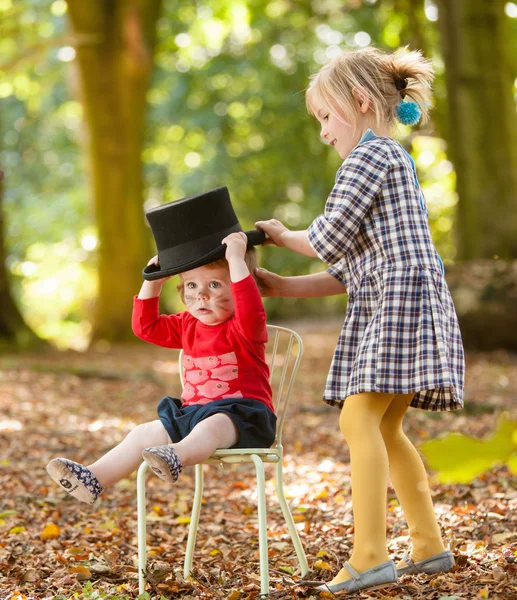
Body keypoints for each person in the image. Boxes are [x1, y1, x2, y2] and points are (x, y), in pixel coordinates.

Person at [255, 46, 465, 593]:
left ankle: (370, 554)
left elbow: (326, 237)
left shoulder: (370, 157)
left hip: (398, 303)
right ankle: (428, 545)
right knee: (386, 425)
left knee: (358, 420)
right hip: (400, 298)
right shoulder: (389, 161)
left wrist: (281, 236)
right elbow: (346, 268)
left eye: (326, 116)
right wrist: (282, 286)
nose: (323, 131)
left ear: (362, 102)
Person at [47, 193, 275, 505]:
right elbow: (146, 327)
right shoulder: (186, 325)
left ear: (237, 285)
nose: (202, 296)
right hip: (192, 413)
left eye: (215, 285)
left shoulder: (244, 327)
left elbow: (251, 308)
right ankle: (94, 478)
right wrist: (152, 281)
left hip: (242, 418)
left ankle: (175, 456)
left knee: (215, 425)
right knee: (144, 433)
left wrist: (236, 259)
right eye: (192, 286)